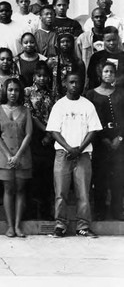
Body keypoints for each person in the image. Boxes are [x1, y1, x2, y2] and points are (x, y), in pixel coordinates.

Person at [46, 72, 102, 238]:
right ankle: (60, 225)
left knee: (83, 193)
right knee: (60, 192)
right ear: (65, 84)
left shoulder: (87, 105)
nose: (74, 85)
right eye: (71, 82)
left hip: (83, 154)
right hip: (63, 154)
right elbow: (54, 131)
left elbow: (93, 130)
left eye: (78, 82)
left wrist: (79, 148)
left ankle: (82, 226)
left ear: (82, 84)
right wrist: (69, 148)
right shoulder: (59, 105)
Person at [0, 78, 33, 237]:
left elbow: (29, 134)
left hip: (22, 156)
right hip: (5, 156)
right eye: (10, 90)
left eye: (16, 90)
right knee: (8, 190)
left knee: (21, 190)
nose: (13, 93)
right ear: (5, 91)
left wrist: (18, 155)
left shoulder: (25, 110)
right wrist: (9, 155)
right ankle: (10, 226)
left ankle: (18, 225)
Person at [86, 61, 124, 221]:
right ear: (100, 74)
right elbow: (90, 119)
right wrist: (104, 139)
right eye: (106, 71)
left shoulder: (121, 93)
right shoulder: (91, 95)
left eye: (112, 72)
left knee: (118, 177)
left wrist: (119, 137)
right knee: (100, 177)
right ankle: (100, 211)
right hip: (99, 141)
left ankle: (117, 210)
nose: (109, 74)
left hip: (120, 141)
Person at [24, 61, 55, 220]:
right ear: (34, 76)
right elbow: (31, 115)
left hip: (50, 138)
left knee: (47, 176)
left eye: (45, 76)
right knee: (32, 174)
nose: (42, 79)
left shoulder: (52, 94)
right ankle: (29, 211)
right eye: (39, 75)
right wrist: (45, 131)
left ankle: (45, 211)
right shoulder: (27, 92)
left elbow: (55, 115)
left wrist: (50, 135)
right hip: (33, 135)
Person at [47, 33, 85, 101]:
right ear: (58, 44)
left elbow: (82, 82)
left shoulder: (78, 63)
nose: (65, 44)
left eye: (68, 41)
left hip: (73, 97)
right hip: (56, 98)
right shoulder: (52, 62)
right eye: (62, 42)